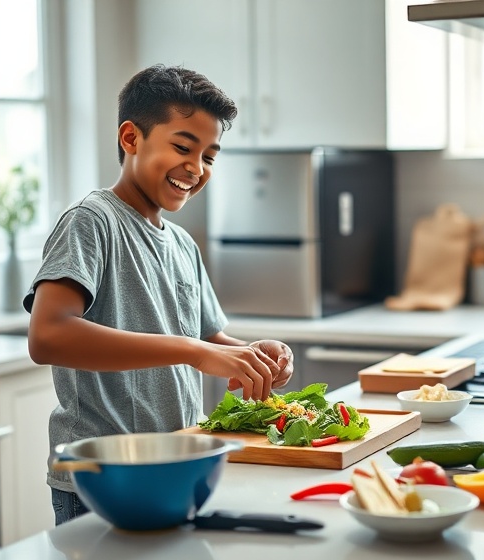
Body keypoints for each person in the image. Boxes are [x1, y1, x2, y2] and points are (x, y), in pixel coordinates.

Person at [23, 64, 295, 525]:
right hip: (102, 478)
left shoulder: (183, 244)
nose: (196, 168)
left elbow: (206, 339)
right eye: (183, 147)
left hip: (176, 467)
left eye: (209, 156)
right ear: (131, 138)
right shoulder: (92, 221)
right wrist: (193, 352)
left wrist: (251, 354)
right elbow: (47, 337)